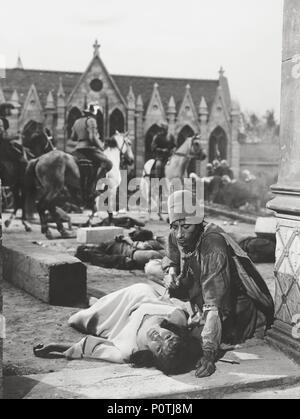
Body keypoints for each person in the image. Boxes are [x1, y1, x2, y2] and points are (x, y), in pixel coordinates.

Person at [161, 190, 274, 378]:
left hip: (236, 312)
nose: (180, 234)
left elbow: (214, 307)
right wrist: (171, 271)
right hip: (205, 301)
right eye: (175, 226)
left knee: (189, 343)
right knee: (154, 271)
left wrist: (209, 353)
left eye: (186, 227)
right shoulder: (177, 234)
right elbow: (171, 257)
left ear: (198, 223)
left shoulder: (213, 246)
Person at [33, 283, 200, 375]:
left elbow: (90, 348)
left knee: (76, 319)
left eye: (157, 346)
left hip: (117, 320)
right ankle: (97, 302)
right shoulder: (179, 320)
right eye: (168, 337)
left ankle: (95, 303)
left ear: (152, 355)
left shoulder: (129, 352)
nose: (158, 336)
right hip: (139, 297)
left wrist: (54, 346)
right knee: (141, 288)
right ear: (175, 334)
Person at [75, 232, 166, 270]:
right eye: (85, 247)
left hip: (133, 247)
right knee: (153, 255)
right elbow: (106, 259)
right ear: (86, 249)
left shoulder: (100, 246)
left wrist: (122, 238)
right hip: (131, 253)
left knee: (163, 252)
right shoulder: (93, 253)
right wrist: (123, 260)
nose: (88, 245)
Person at [71, 104, 112, 178]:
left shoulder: (77, 121)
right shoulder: (91, 120)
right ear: (93, 114)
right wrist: (102, 147)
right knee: (108, 163)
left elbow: (73, 137)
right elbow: (92, 138)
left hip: (77, 149)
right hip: (88, 149)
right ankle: (95, 184)